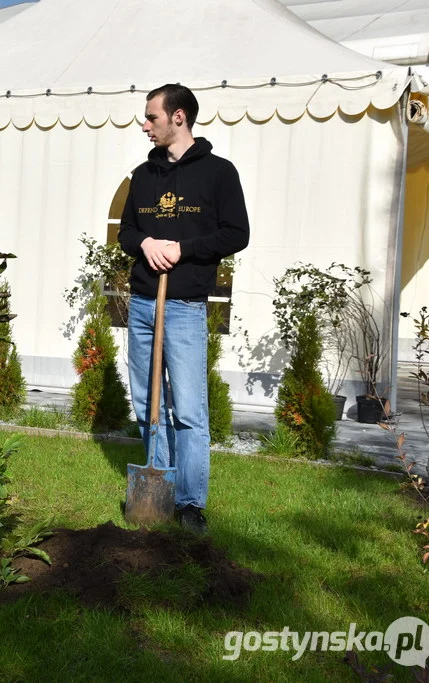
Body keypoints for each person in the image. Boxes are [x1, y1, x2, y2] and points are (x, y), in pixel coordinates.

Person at [117, 84, 250, 535]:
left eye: (151, 117)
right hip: (141, 304)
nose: (144, 124)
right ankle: (159, 486)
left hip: (185, 306)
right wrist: (147, 241)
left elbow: (236, 234)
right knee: (146, 404)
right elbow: (126, 233)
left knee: (189, 410)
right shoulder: (142, 175)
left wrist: (183, 247)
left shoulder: (218, 173)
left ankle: (190, 502)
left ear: (178, 118)